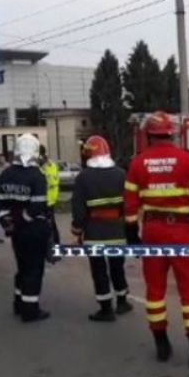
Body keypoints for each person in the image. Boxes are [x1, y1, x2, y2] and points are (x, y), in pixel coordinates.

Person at [124, 111, 189, 368]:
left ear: (148, 134)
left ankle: (161, 345)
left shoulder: (137, 163)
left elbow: (130, 204)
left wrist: (132, 234)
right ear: (171, 133)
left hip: (153, 232)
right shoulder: (187, 161)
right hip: (181, 233)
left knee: (154, 292)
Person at [71, 135, 133, 322]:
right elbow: (129, 204)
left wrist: (77, 231)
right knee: (117, 267)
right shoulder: (121, 174)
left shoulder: (83, 177)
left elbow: (79, 208)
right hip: (117, 230)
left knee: (99, 271)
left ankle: (106, 309)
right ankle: (122, 302)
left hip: (94, 232)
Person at [0, 134, 51, 323]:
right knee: (34, 269)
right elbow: (38, 206)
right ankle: (30, 310)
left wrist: (6, 222)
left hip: (15, 231)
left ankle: (18, 302)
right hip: (34, 229)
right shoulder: (37, 175)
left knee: (22, 266)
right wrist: (23, 220)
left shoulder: (6, 174)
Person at [39, 146, 62, 259]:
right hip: (46, 200)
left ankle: (53, 251)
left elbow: (49, 183)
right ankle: (51, 250)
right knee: (49, 226)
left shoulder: (46, 166)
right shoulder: (48, 165)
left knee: (49, 227)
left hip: (46, 201)